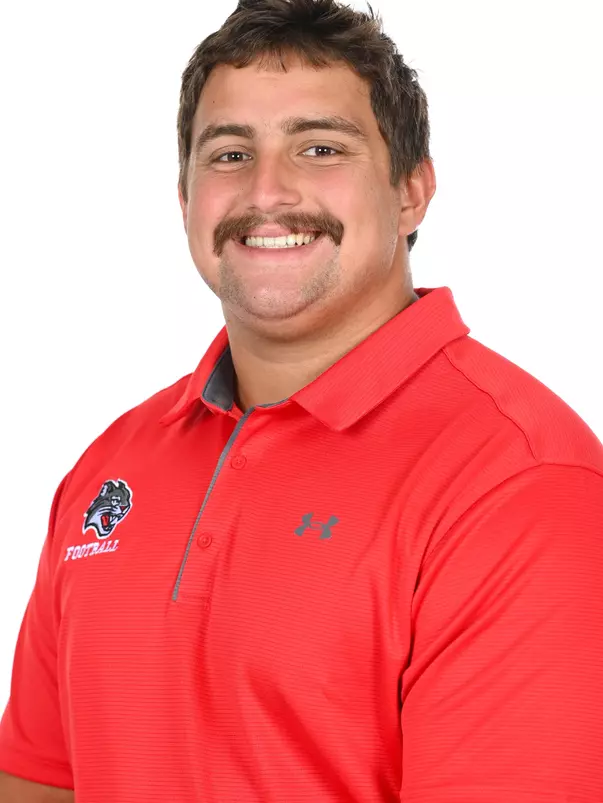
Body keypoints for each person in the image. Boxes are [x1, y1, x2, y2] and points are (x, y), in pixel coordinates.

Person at [1, 0, 602, 800]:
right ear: (184, 199)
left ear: (412, 191)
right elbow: (40, 778)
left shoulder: (520, 484)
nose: (268, 191)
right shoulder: (113, 465)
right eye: (227, 153)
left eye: (320, 148)